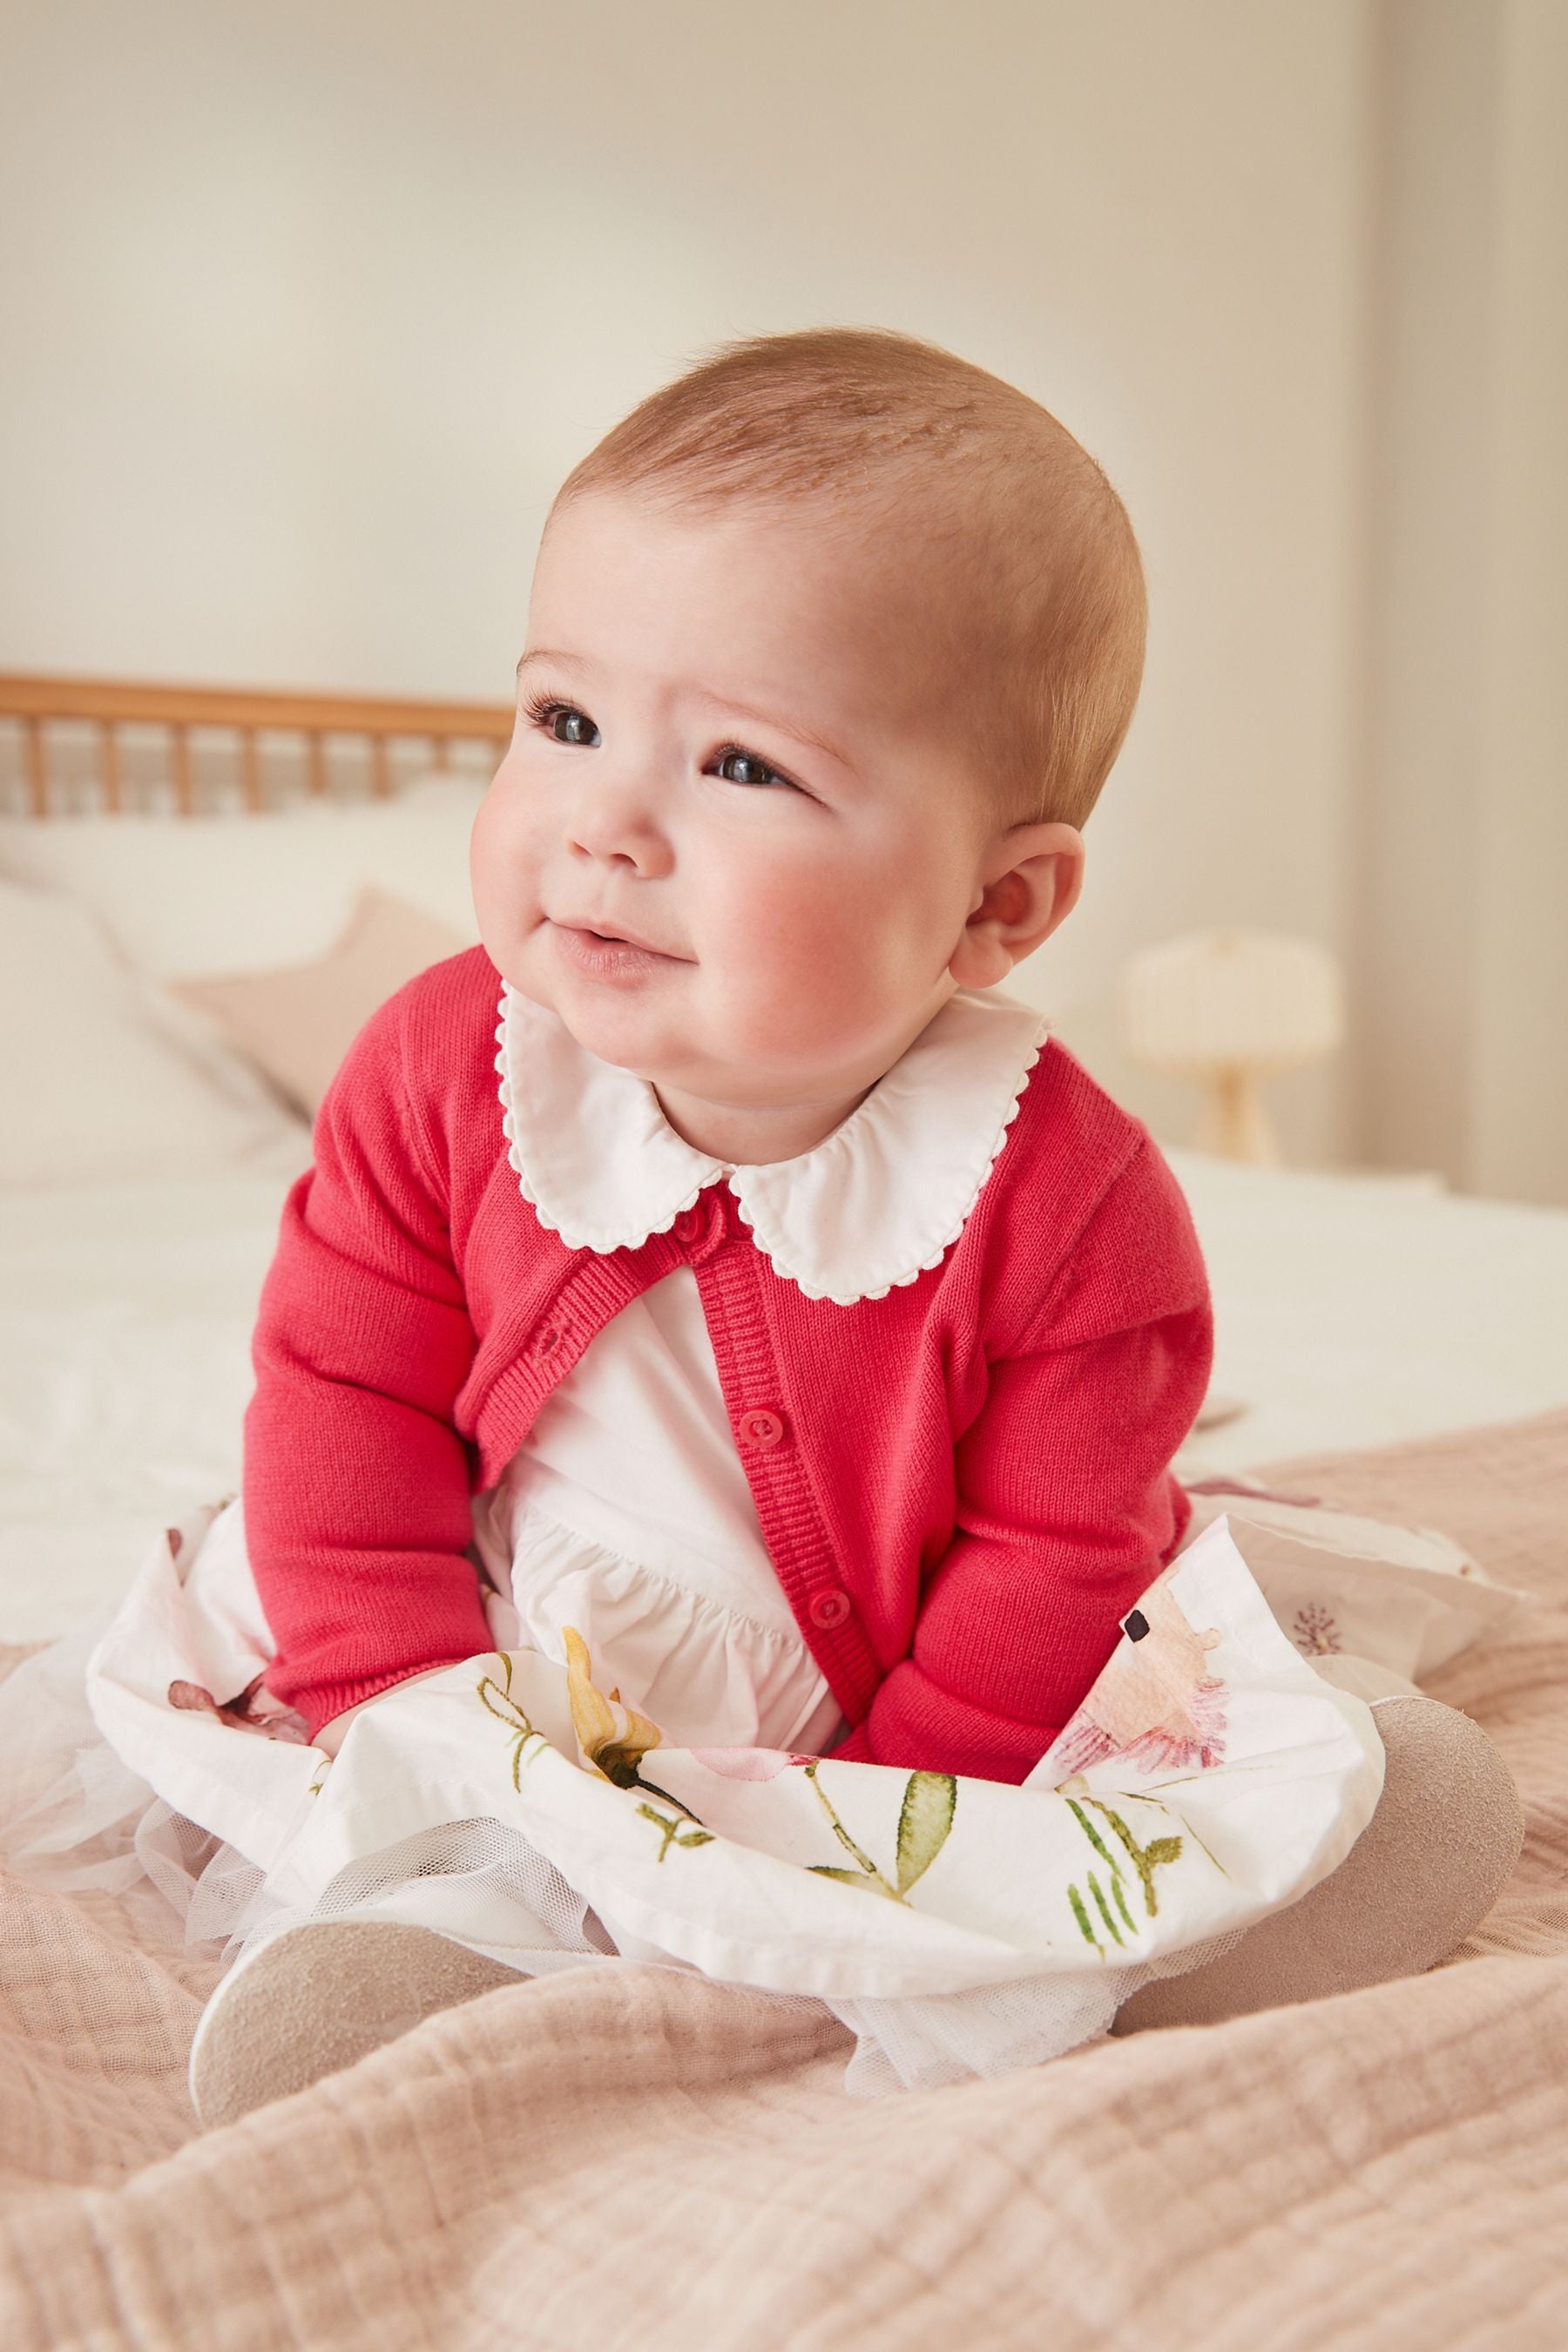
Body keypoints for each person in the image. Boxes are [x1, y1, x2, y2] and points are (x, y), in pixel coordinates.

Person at [0, 331, 1521, 2122]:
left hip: (931, 1694)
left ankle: (1230, 1895)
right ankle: (440, 1945)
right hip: (502, 1632)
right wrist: (405, 1714)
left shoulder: (1070, 1198)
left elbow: (1053, 1549)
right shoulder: (441, 1066)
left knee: (1190, 1700)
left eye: (740, 767)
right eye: (563, 721)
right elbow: (340, 1405)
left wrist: (878, 1835)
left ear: (995, 902)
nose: (604, 826)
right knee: (425, 1785)